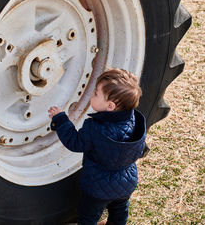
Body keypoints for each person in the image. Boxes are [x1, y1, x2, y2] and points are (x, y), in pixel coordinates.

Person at [48, 68, 147, 225]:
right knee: (120, 210)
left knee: (88, 215)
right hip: (126, 183)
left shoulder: (95, 128)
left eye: (95, 93)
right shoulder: (135, 122)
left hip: (97, 188)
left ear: (110, 106)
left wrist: (60, 119)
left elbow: (74, 142)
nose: (92, 94)